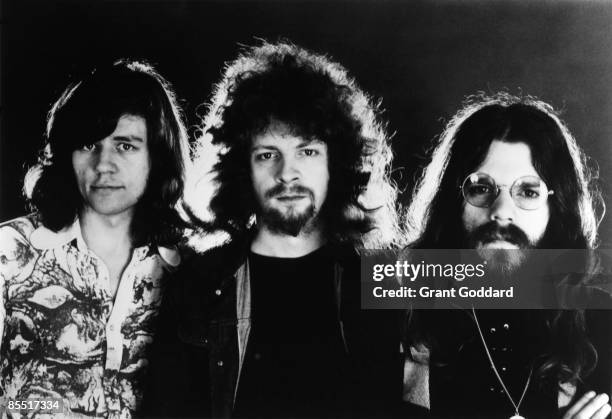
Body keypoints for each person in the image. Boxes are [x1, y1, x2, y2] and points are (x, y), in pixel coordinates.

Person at [144, 41, 409, 418]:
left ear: (338, 163)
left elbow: (514, 285)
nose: (287, 173)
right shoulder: (199, 284)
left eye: (307, 151)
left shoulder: (380, 277)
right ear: (241, 169)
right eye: (268, 154)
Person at [402, 93, 611, 419]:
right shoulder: (395, 321)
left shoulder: (601, 326)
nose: (501, 212)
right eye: (481, 188)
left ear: (557, 208)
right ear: (452, 202)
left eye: (528, 191)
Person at [0, 60, 190, 418]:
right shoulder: (9, 253)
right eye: (88, 144)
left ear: (158, 156)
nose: (104, 164)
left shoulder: (188, 268)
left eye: (126, 146)